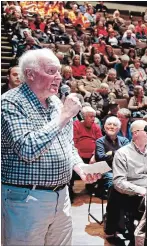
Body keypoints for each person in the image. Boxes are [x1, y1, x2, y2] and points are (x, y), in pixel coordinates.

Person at [1, 48, 100, 246]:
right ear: (30, 74)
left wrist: (79, 167)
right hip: (26, 198)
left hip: (61, 196)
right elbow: (27, 149)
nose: (58, 77)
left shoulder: (55, 102)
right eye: (51, 71)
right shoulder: (10, 103)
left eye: (58, 72)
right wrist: (65, 117)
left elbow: (67, 145)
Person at [104, 120, 147, 242]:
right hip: (130, 193)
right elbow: (119, 182)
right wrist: (141, 190)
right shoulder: (122, 153)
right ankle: (113, 229)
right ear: (135, 134)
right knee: (113, 190)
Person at [95, 116, 130, 191]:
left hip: (123, 169)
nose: (111, 127)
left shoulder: (125, 141)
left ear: (119, 128)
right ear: (104, 127)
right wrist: (117, 153)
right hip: (107, 170)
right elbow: (100, 158)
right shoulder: (100, 141)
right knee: (114, 182)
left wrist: (110, 153)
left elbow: (128, 156)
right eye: (109, 124)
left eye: (115, 125)